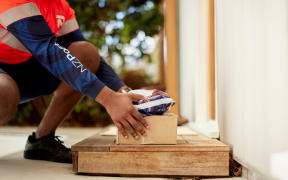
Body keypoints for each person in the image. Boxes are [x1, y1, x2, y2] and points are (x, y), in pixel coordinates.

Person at [0, 0, 149, 163]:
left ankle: (41, 141)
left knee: (86, 53)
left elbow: (87, 57)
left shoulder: (60, 6)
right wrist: (109, 99)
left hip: (23, 72)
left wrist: (129, 96)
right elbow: (50, 51)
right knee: (4, 89)